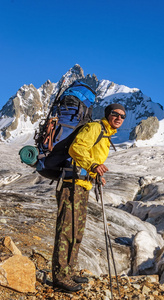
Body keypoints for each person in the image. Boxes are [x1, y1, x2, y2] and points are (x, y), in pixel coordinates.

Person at [52, 104, 126, 292]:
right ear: (107, 115)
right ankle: (60, 277)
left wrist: (95, 174)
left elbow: (90, 159)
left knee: (77, 231)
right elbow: (76, 149)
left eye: (122, 116)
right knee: (67, 230)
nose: (119, 118)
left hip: (82, 185)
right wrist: (93, 165)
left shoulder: (106, 135)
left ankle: (70, 271)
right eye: (115, 114)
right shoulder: (94, 128)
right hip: (71, 184)